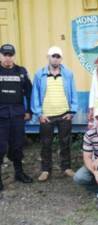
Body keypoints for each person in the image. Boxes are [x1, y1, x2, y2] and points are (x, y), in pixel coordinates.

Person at [31, 46, 78, 182]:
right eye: (53, 56)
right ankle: (46, 170)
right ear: (48, 57)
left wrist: (72, 111)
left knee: (65, 142)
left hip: (64, 114)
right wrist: (39, 114)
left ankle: (66, 168)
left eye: (58, 56)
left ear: (61, 58)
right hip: (47, 116)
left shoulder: (68, 74)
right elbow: (35, 95)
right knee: (46, 143)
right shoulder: (39, 74)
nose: (56, 59)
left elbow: (73, 93)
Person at [0, 44, 33, 190]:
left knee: (18, 146)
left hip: (17, 115)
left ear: (14, 55)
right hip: (1, 116)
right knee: (1, 148)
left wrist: (29, 111)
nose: (8, 58)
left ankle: (19, 173)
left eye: (10, 55)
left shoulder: (21, 71)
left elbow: (29, 92)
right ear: (1, 55)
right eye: (5, 54)